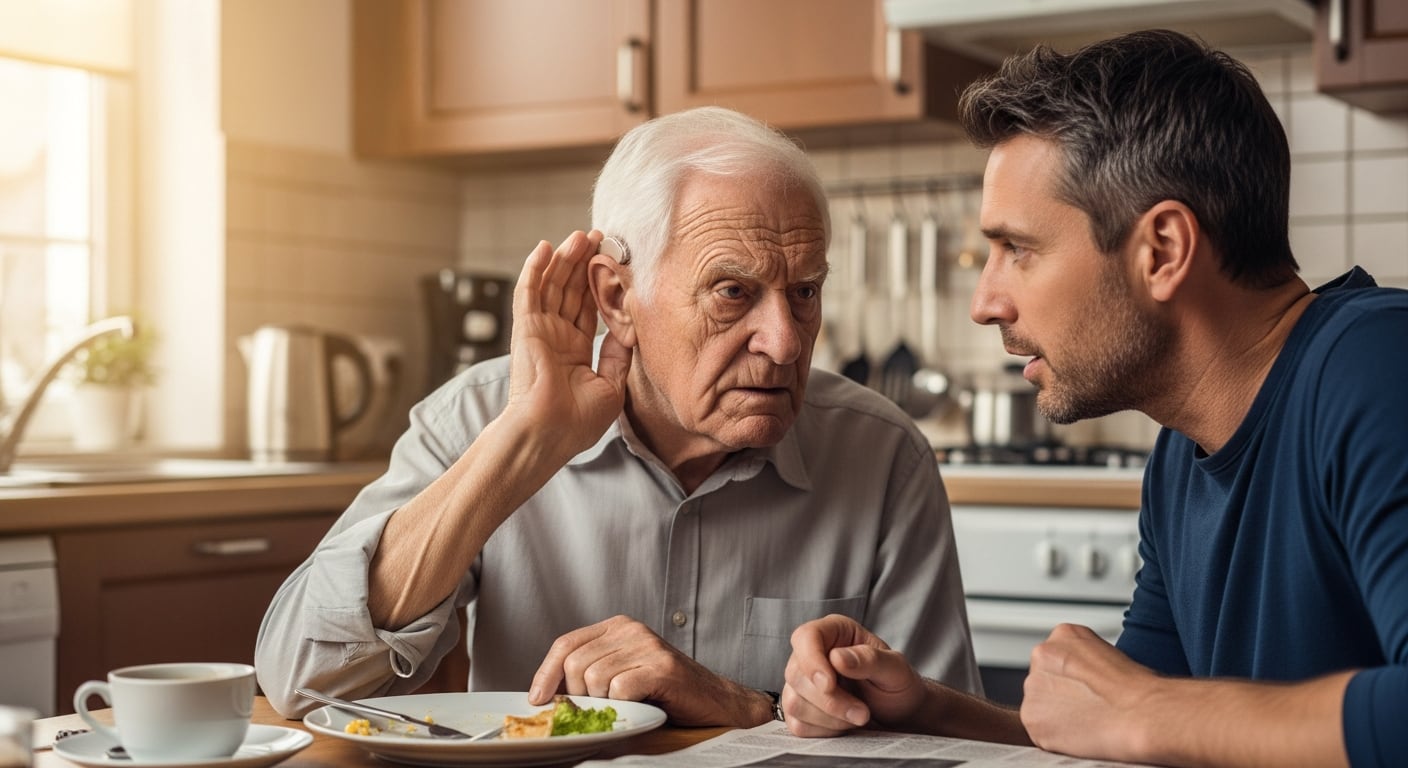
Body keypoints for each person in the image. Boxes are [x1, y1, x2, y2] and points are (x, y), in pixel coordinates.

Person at [781, 29, 1405, 768]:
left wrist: (1145, 708)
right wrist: (922, 708)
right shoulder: (1182, 450)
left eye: (1018, 249)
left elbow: (1152, 714)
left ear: (1163, 251)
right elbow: (1132, 734)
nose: (985, 302)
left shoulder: (1374, 366)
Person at [255, 105, 981, 726]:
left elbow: (947, 745)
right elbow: (300, 680)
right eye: (733, 291)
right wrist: (524, 444)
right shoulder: (480, 417)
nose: (786, 341)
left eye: (805, 292)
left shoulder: (884, 457)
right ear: (615, 298)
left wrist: (736, 705)